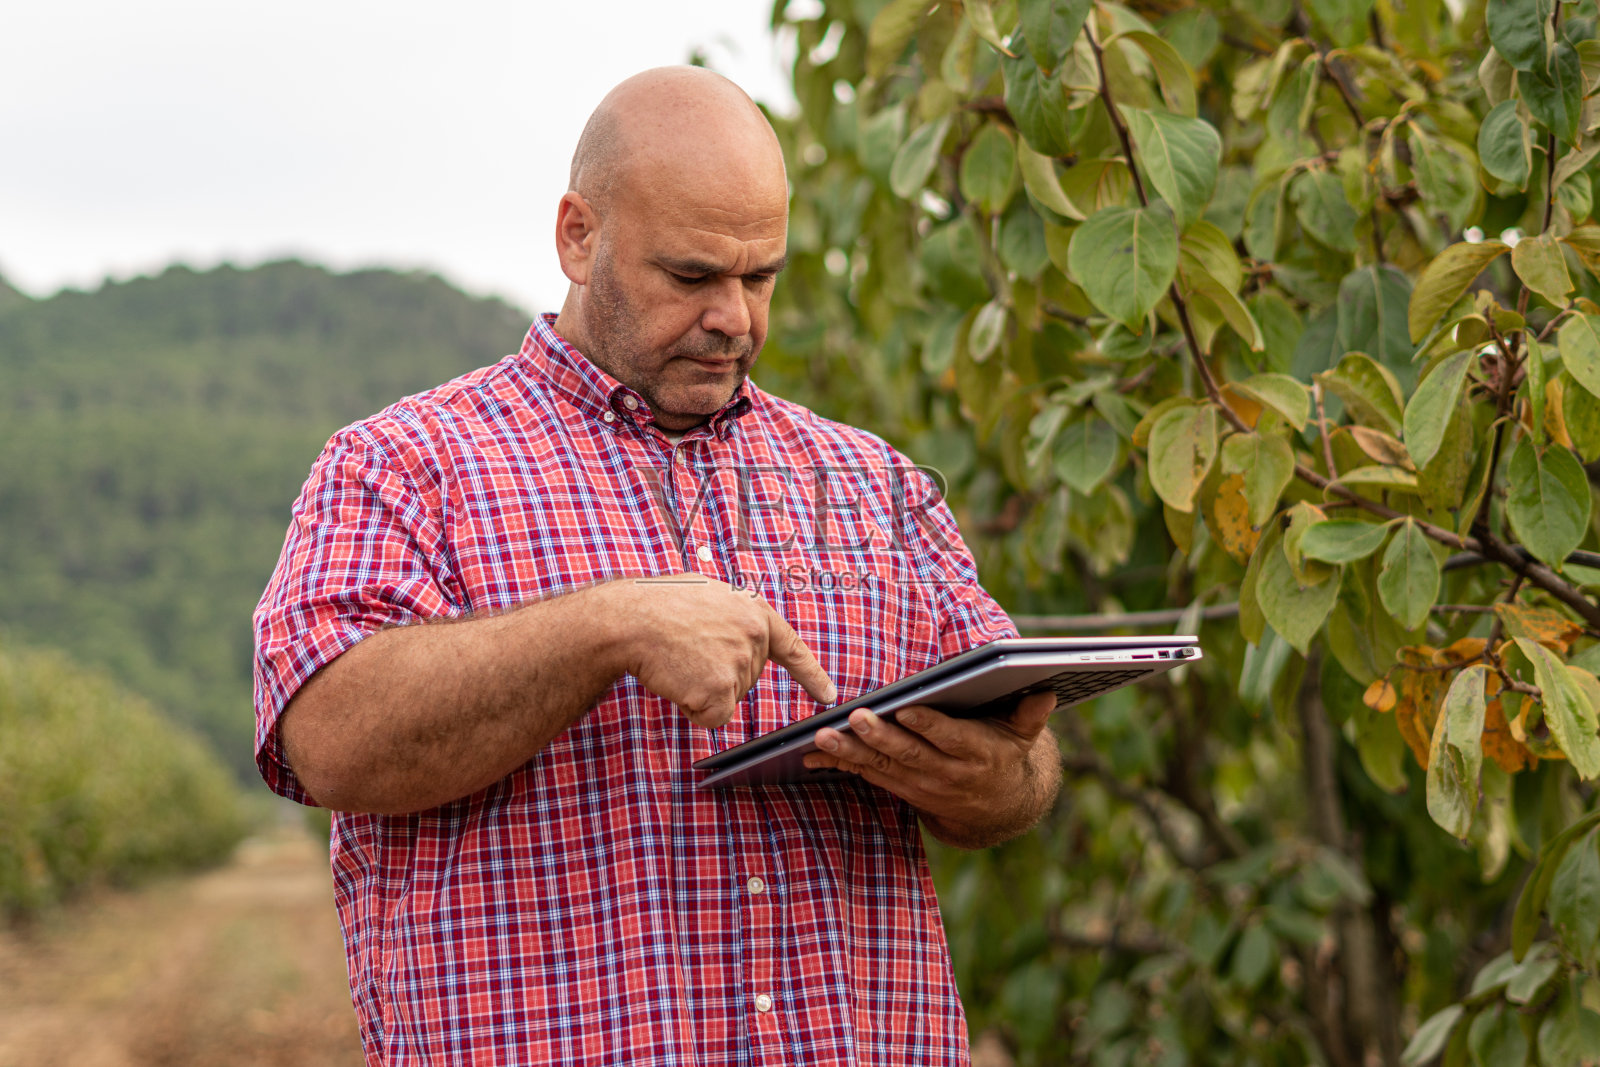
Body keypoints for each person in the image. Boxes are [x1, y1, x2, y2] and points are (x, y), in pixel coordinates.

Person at [253, 66, 1061, 1066]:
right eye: (690, 276)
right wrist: (608, 626)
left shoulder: (875, 487)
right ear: (577, 236)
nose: (734, 315)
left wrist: (995, 777)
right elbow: (326, 738)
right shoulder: (405, 467)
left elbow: (1019, 775)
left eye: (759, 277)